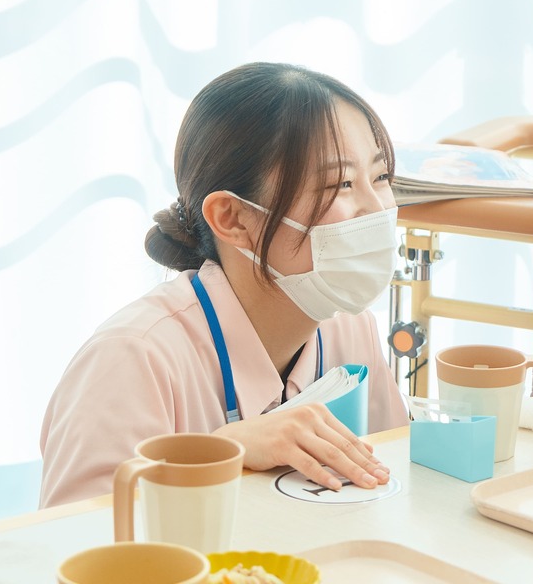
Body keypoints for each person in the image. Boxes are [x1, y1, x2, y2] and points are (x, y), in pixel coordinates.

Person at [40, 63, 410, 507]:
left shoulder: (349, 327)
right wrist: (221, 457)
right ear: (233, 219)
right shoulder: (131, 358)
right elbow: (78, 552)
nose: (376, 209)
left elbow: (396, 478)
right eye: (340, 184)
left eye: (381, 177)